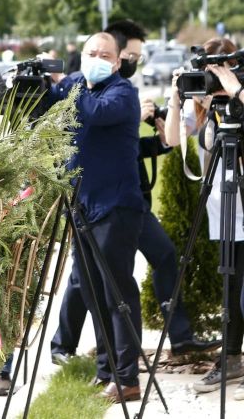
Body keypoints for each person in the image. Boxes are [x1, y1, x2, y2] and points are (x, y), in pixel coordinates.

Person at [50, 21, 220, 366]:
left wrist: (157, 139)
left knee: (156, 259)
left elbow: (125, 147)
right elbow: (96, 143)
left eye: (136, 58)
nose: (133, 63)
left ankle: (176, 337)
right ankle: (67, 346)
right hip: (107, 200)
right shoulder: (100, 91)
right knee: (87, 279)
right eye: (130, 56)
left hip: (127, 200)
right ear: (115, 53)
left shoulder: (120, 91)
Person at [48, 32, 146, 403]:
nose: (96, 58)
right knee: (92, 292)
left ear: (118, 61)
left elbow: (92, 111)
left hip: (115, 207)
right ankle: (106, 370)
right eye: (91, 52)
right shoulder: (77, 83)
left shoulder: (121, 93)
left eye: (104, 54)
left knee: (117, 293)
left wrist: (67, 85)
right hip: (82, 206)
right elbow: (48, 106)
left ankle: (128, 377)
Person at [163, 38, 244, 397]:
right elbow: (171, 139)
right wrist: (178, 96)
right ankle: (230, 359)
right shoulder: (206, 110)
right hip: (221, 210)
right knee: (230, 287)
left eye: (216, 73)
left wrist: (235, 90)